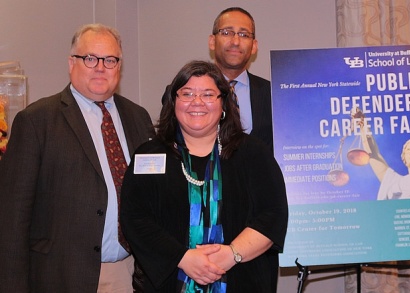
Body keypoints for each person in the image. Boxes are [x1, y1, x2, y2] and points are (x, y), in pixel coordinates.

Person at [0, 24, 154, 292]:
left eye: (110, 60)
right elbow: (12, 219)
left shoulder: (138, 117)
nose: (100, 67)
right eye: (90, 58)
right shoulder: (37, 121)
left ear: (119, 66)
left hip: (128, 273)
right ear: (72, 63)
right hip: (61, 276)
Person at [120, 60, 288, 293]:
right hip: (169, 281)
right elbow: (135, 218)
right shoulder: (149, 155)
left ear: (224, 104)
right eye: (187, 93)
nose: (197, 102)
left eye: (208, 94)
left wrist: (231, 254)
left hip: (243, 279)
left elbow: (272, 214)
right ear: (173, 101)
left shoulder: (253, 154)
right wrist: (183, 258)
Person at [208, 7, 273, 151]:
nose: (236, 41)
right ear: (212, 41)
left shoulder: (273, 94)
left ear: (254, 46)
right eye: (226, 33)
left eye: (244, 35)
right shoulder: (185, 94)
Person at [356, 108, 410, 200]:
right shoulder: (394, 180)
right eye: (407, 150)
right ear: (404, 159)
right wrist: (363, 125)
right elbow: (374, 155)